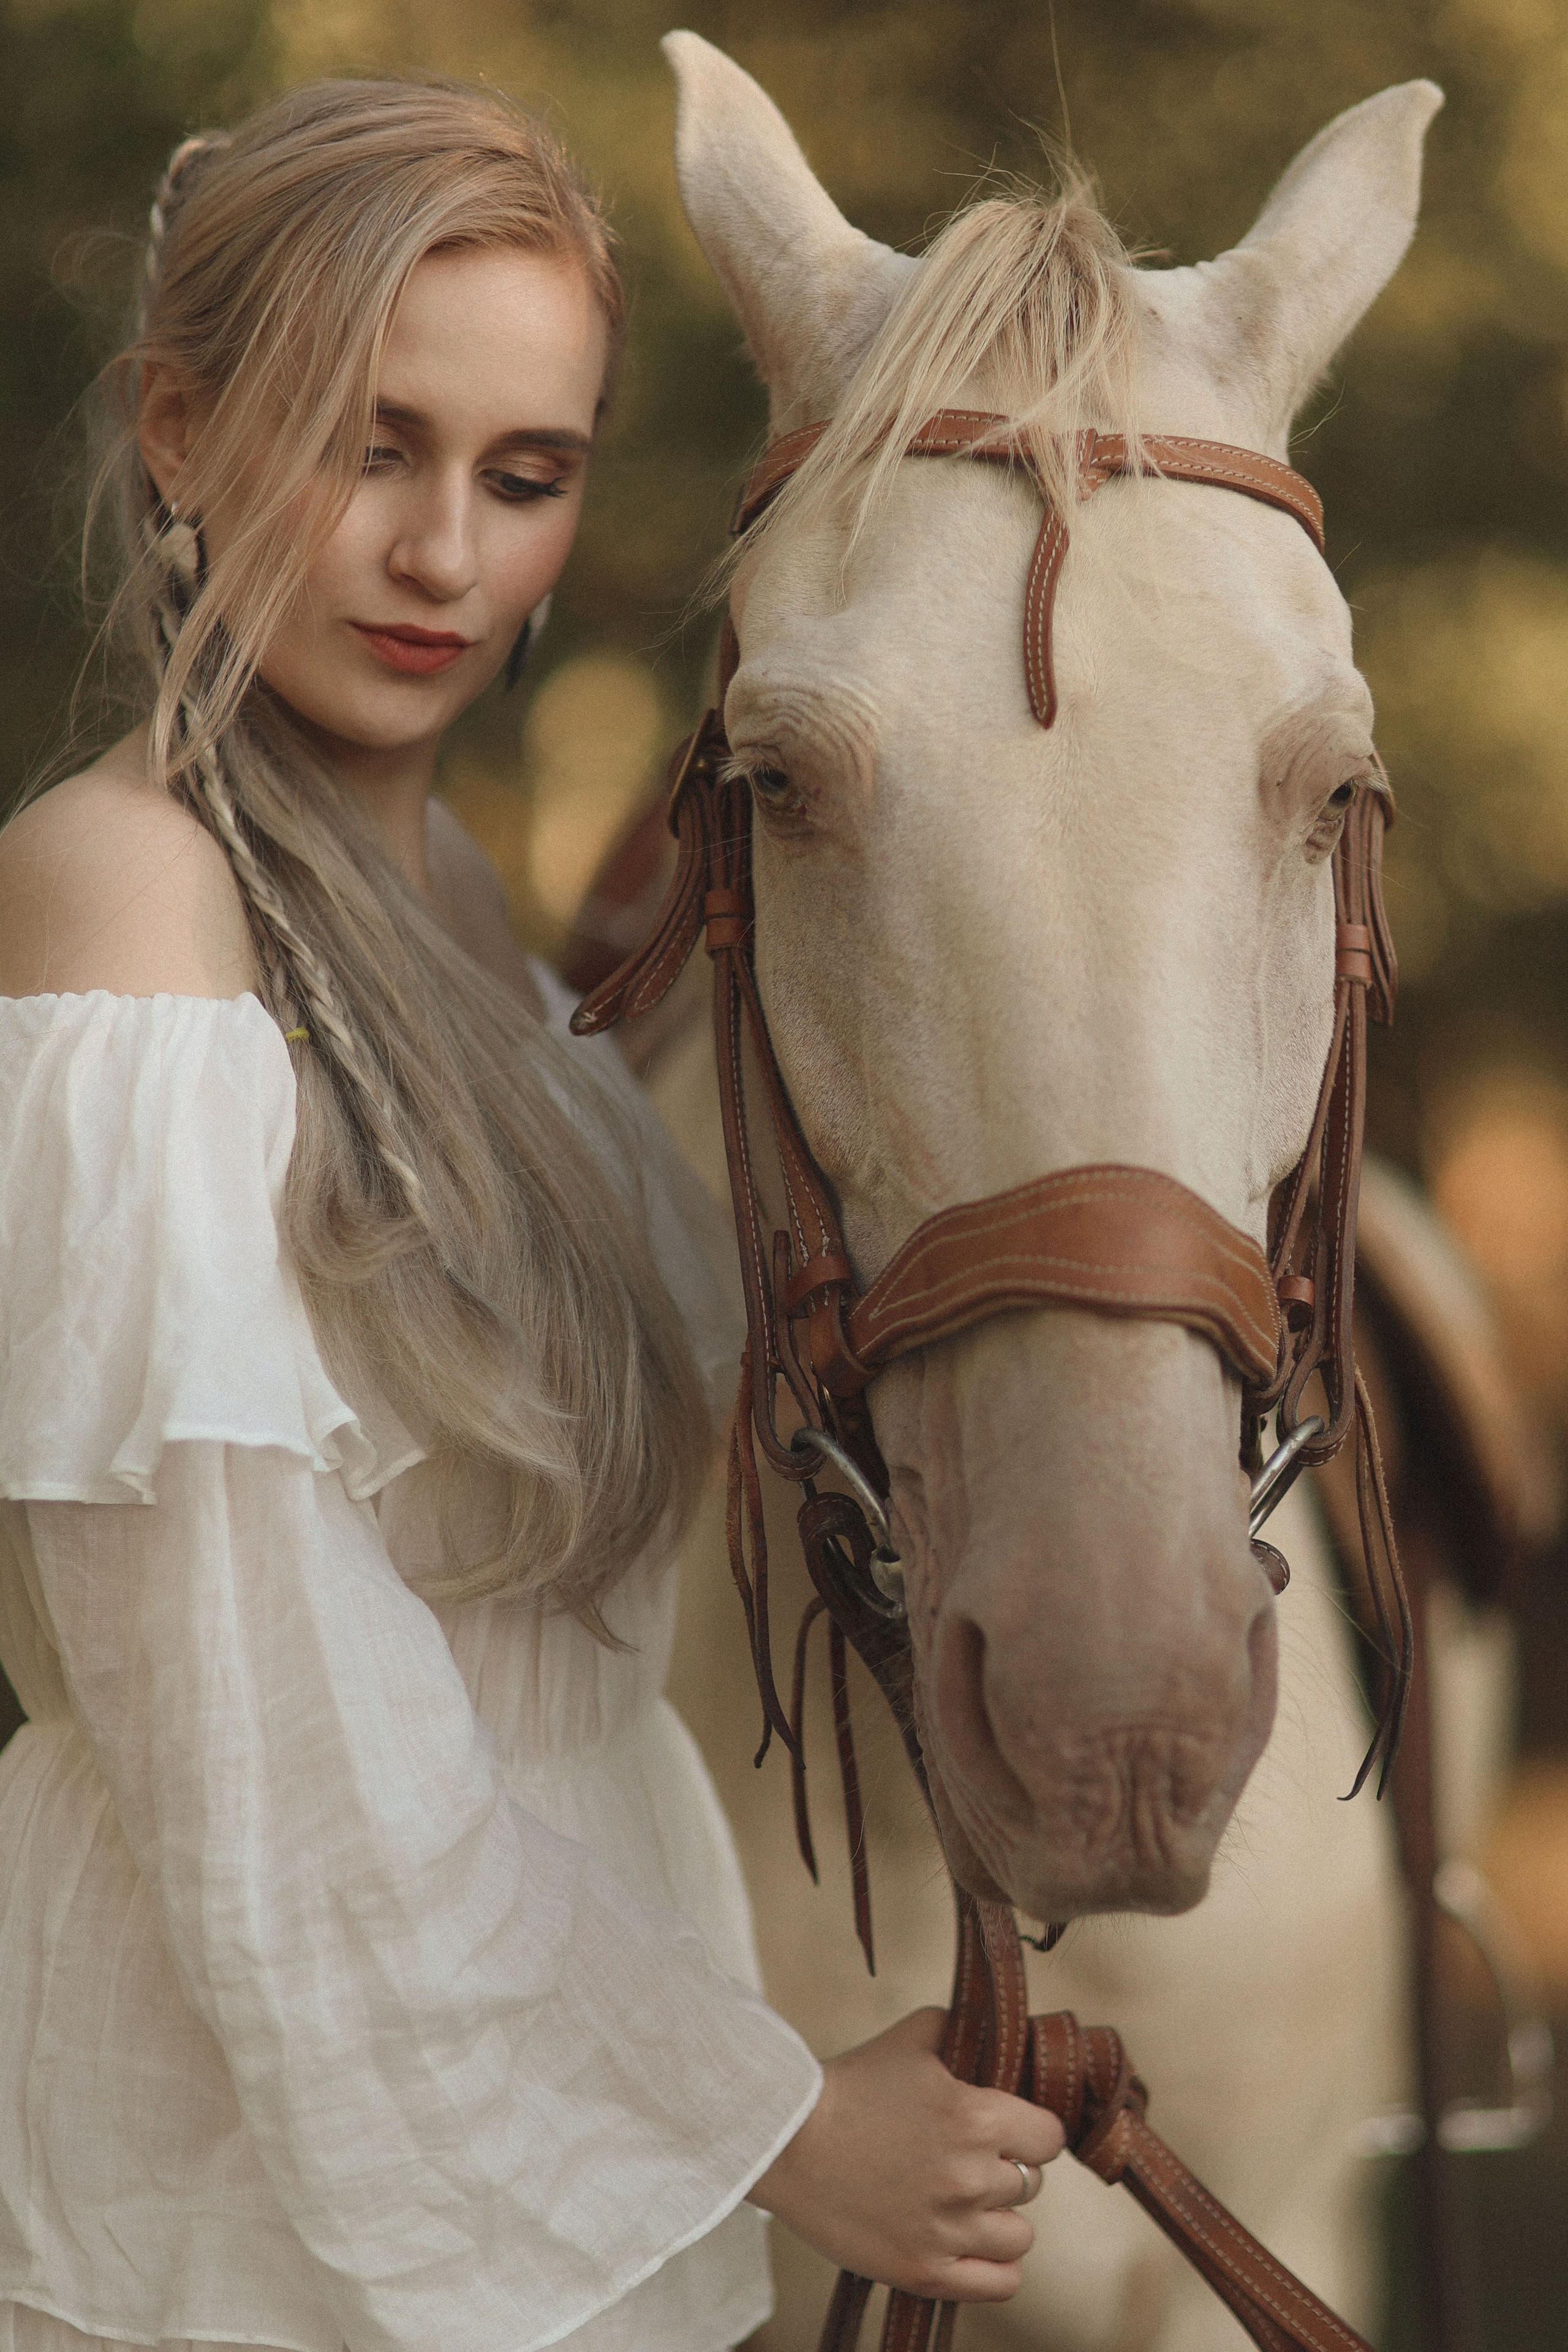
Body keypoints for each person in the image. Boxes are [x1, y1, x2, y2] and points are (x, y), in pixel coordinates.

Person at [0, 77, 1061, 2352]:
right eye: (366, 442)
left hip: (566, 2116)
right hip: (245, 2190)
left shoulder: (467, 907)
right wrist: (784, 2127)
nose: (443, 557)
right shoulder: (128, 895)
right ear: (177, 428)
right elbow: (247, 1696)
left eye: (525, 475)